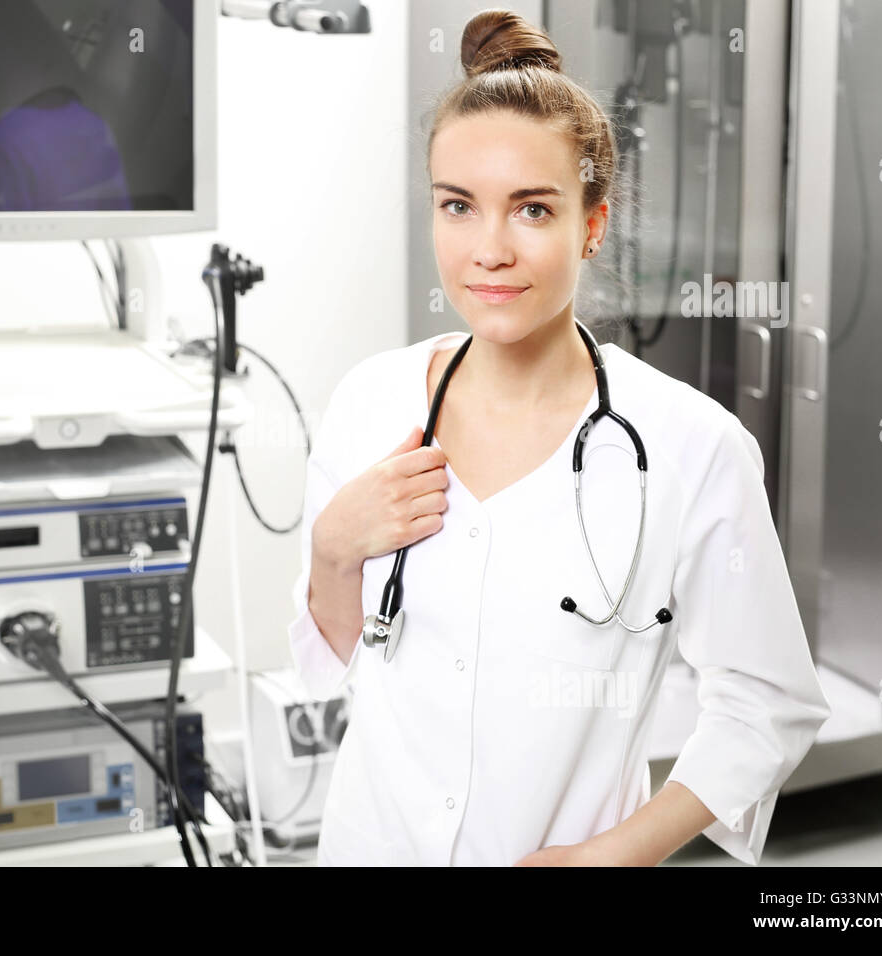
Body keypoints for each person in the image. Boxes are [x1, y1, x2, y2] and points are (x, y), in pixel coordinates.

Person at [287, 8, 831, 866]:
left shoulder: (690, 447)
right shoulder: (369, 402)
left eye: (531, 210)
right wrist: (332, 550)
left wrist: (612, 854)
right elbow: (337, 655)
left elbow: (766, 702)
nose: (489, 250)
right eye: (458, 206)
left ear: (592, 223)